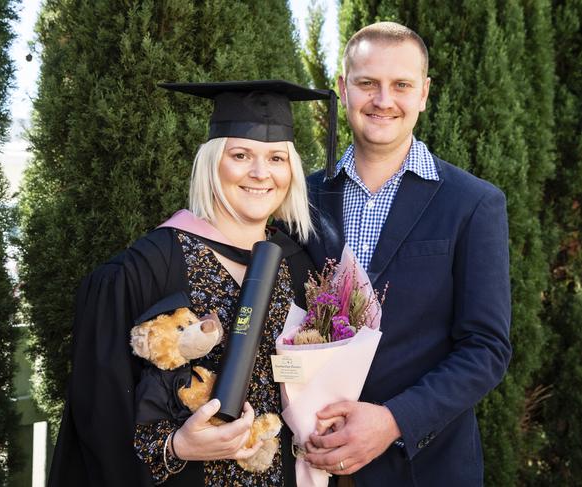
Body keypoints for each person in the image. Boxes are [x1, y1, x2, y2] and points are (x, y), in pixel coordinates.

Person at [47, 80, 336, 486]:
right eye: (240, 155)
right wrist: (177, 447)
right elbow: (100, 409)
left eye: (276, 158)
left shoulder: (300, 264)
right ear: (213, 163)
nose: (260, 173)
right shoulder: (148, 266)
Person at [300, 22, 512, 486]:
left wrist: (394, 420)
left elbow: (486, 349)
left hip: (423, 468)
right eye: (367, 83)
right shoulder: (301, 199)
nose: (383, 100)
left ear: (424, 93)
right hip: (310, 462)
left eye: (401, 85)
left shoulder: (473, 203)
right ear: (342, 88)